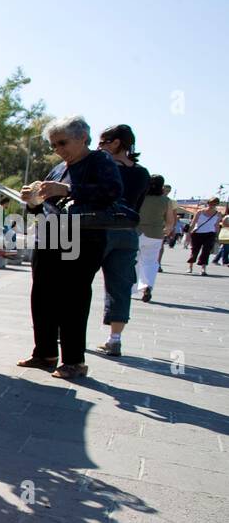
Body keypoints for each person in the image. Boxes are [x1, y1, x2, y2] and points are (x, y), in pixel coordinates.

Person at [17, 115, 123, 380]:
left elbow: (112, 192)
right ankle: (45, 353)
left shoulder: (100, 161)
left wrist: (65, 189)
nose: (58, 150)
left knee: (72, 298)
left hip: (83, 236)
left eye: (62, 143)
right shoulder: (57, 168)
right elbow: (41, 206)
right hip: (50, 235)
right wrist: (32, 200)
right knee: (41, 295)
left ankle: (74, 360)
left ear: (82, 138)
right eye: (53, 145)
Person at [95, 125, 149, 357]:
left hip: (99, 228)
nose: (99, 147)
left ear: (115, 143)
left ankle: (63, 332)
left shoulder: (103, 166)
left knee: (77, 281)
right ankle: (114, 339)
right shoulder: (142, 173)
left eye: (103, 142)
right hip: (128, 232)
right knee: (121, 286)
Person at [135, 175, 176, 302]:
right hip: (155, 234)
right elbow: (170, 221)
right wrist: (166, 231)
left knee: (134, 260)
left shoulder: (140, 197)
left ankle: (132, 287)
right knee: (151, 262)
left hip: (136, 232)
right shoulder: (166, 201)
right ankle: (147, 286)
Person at [185, 197, 222, 275]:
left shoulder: (218, 214)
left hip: (210, 234)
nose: (212, 205)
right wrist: (188, 234)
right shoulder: (200, 212)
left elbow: (217, 226)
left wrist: (218, 236)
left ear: (217, 204)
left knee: (206, 251)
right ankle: (190, 267)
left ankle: (203, 269)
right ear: (207, 203)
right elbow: (193, 223)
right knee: (195, 250)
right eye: (210, 203)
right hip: (198, 233)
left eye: (214, 204)